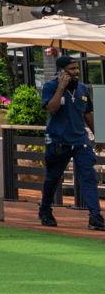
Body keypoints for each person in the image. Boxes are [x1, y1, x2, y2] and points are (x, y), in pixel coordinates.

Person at [39, 55, 103, 231]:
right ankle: (45, 209)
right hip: (58, 141)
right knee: (53, 178)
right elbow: (51, 108)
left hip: (80, 141)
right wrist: (61, 87)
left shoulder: (82, 89)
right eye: (72, 69)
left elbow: (87, 114)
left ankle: (95, 217)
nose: (76, 73)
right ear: (61, 72)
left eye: (77, 69)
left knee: (88, 177)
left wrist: (100, 136)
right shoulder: (50, 87)